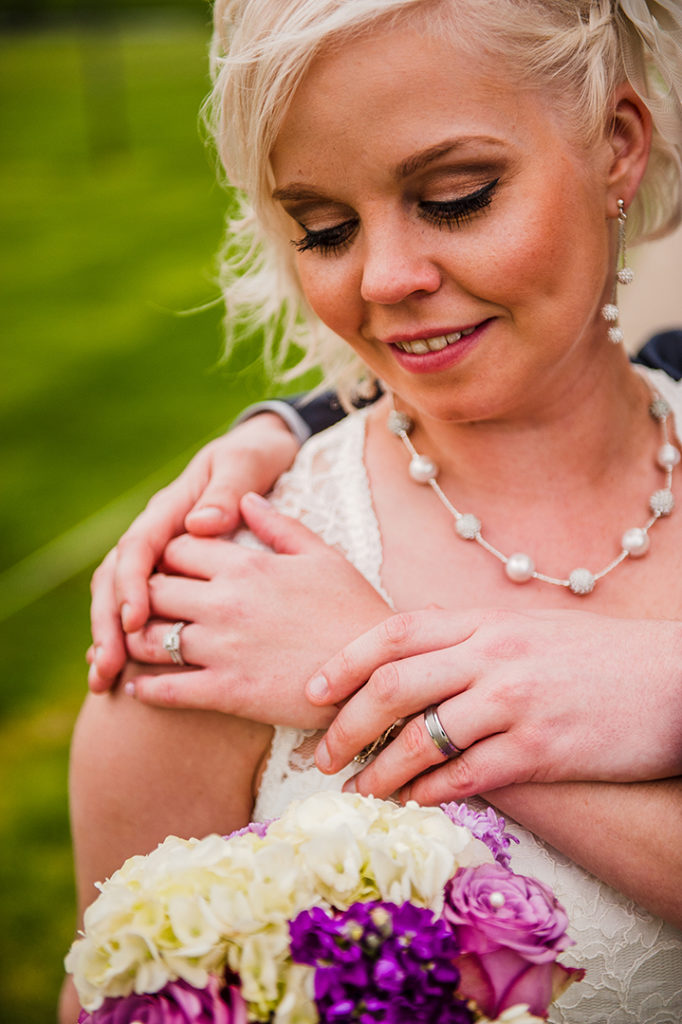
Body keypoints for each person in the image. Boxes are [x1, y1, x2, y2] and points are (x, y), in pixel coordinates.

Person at [62, 1, 682, 1021]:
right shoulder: (210, 597)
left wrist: (384, 672)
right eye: (324, 229)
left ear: (616, 146)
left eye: (456, 197)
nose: (385, 280)